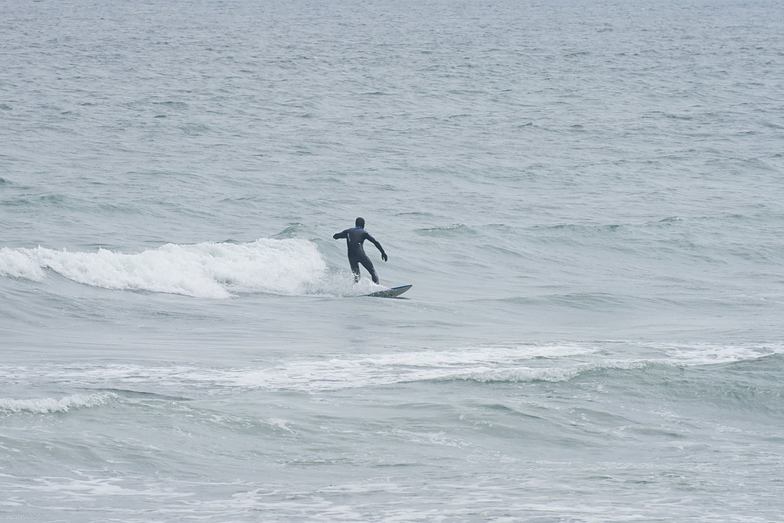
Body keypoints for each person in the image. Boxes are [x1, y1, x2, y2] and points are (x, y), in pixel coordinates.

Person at [333, 217, 388, 283]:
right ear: (363, 225)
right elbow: (375, 242)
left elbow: (336, 236)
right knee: (372, 271)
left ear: (355, 224)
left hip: (351, 257)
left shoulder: (348, 231)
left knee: (357, 276)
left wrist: (339, 235)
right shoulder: (364, 232)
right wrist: (383, 252)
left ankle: (356, 290)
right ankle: (377, 287)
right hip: (360, 255)